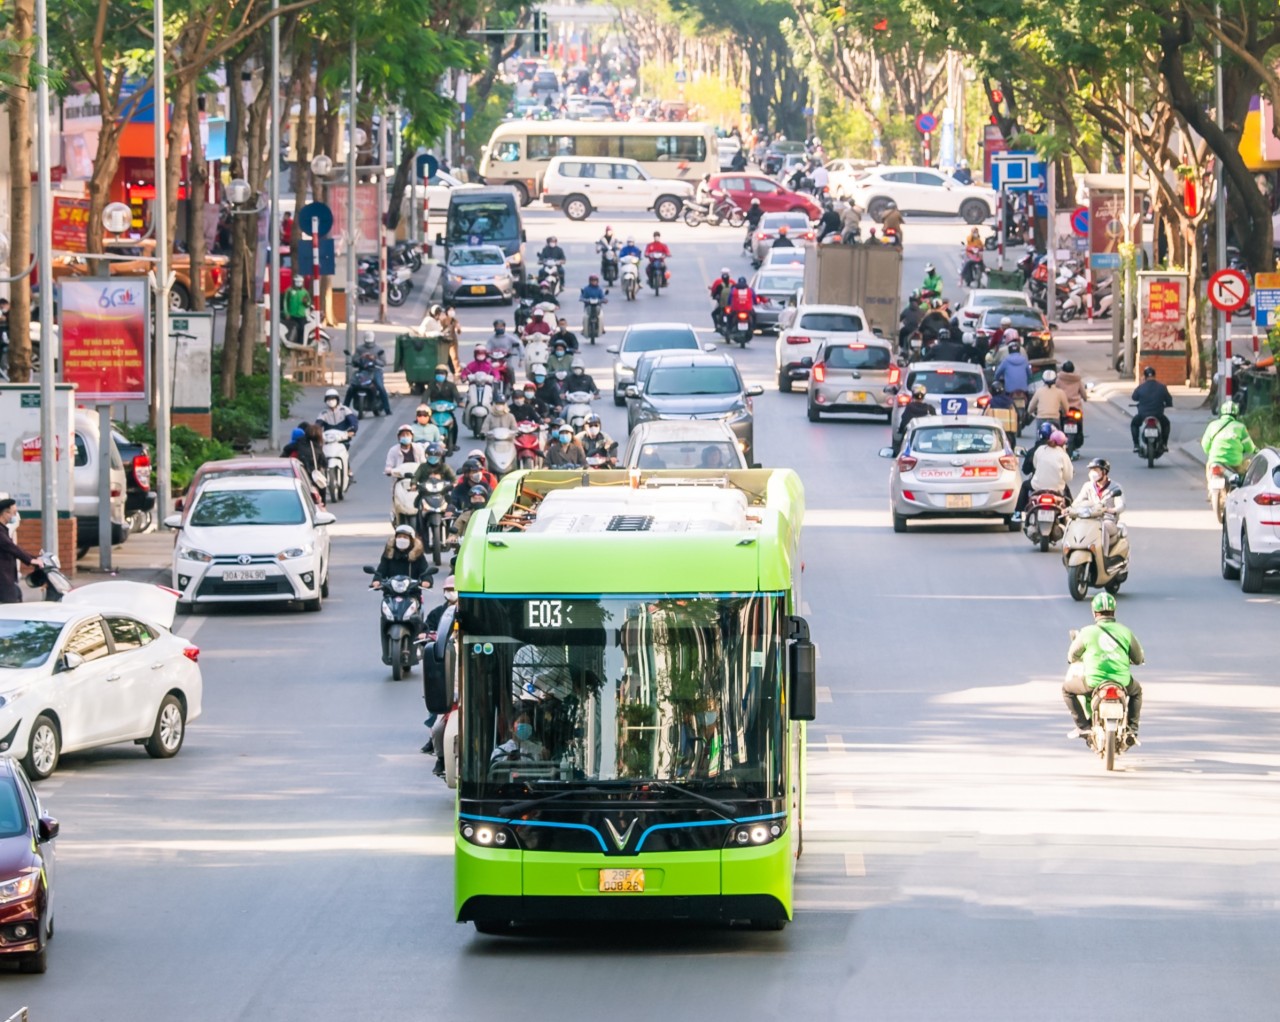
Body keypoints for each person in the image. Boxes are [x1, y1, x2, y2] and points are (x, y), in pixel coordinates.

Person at [1064, 593, 1145, 744]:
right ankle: (1132, 729)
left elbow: (1072, 655)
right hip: (1122, 682)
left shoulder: (1087, 632)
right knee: (1137, 692)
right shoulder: (1125, 631)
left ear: (1094, 612)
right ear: (1114, 611)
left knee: (1067, 690)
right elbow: (1138, 658)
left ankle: (1083, 727)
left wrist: (1073, 659)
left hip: (1093, 682)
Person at [418, 574, 456, 754]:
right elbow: (425, 629)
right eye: (448, 590)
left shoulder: (467, 613)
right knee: (437, 702)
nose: (451, 593)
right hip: (445, 668)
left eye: (454, 590)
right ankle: (439, 753)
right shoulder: (439, 613)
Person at [1072, 458, 1125, 559]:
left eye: (1096, 470)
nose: (1092, 473)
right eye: (1091, 470)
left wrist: (1112, 510)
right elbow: (1077, 502)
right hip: (1090, 519)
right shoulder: (1087, 486)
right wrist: (1069, 509)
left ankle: (1103, 556)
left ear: (1104, 472)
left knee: (1103, 527)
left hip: (1108, 520)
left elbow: (1121, 505)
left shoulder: (1115, 487)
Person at [1015, 429, 1073, 519]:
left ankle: (1018, 513)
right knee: (1068, 494)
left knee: (1024, 485)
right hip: (1057, 488)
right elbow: (1068, 477)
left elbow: (1035, 464)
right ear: (1063, 443)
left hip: (1037, 486)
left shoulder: (1040, 449)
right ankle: (1072, 513)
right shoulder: (1063, 455)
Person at [0, 498, 43, 604]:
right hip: (3, 579)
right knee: (11, 606)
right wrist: (30, 560)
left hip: (7, 578)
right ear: (5, 513)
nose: (16, 516)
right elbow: (10, 547)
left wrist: (34, 558)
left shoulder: (3, 529)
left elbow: (14, 548)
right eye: (14, 513)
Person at [1200, 398, 1256, 479]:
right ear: (1236, 414)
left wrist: (1213, 454)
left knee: (1209, 466)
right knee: (1242, 475)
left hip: (1216, 461)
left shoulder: (1212, 425)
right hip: (1234, 464)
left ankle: (1210, 487)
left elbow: (1205, 445)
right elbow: (1250, 448)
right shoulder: (1240, 427)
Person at [345, 332, 392, 415]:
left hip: (375, 370)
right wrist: (361, 357)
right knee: (352, 387)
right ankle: (344, 408)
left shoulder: (379, 350)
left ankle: (387, 409)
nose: (369, 344)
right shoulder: (359, 349)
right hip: (362, 371)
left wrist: (374, 359)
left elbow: (383, 362)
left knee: (380, 387)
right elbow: (354, 360)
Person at [1131, 365, 1173, 452]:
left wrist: (1140, 384)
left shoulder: (1141, 387)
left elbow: (1134, 397)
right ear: (1154, 375)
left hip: (1143, 415)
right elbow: (1169, 400)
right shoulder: (1162, 387)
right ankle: (1164, 444)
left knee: (1134, 424)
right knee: (1166, 424)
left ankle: (1136, 445)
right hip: (1158, 415)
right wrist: (1168, 404)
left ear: (1145, 377)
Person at [894, 385, 937, 453]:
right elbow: (935, 423)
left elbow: (904, 421)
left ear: (913, 396)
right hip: (928, 439)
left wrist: (901, 430)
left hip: (912, 439)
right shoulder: (930, 408)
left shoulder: (909, 407)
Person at [283, 278, 311, 346]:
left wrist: (306, 302)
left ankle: (300, 345)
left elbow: (308, 303)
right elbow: (285, 302)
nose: (298, 283)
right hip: (291, 315)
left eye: (300, 282)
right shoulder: (289, 291)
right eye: (297, 282)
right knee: (291, 331)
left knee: (302, 330)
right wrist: (286, 312)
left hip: (301, 315)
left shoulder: (305, 292)